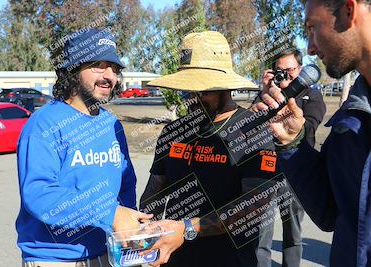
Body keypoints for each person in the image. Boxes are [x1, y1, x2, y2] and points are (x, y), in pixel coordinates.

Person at [139, 30, 286, 267]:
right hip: (174, 259)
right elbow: (154, 190)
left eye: (202, 91)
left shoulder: (252, 132)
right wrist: (145, 231)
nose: (192, 99)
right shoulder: (174, 132)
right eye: (187, 91)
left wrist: (188, 228)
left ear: (225, 88)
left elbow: (253, 207)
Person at [16, 28, 152, 267]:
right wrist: (110, 214)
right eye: (98, 65)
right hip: (56, 259)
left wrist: (130, 231)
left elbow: (126, 184)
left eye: (114, 68)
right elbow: (39, 194)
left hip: (110, 254)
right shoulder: (44, 124)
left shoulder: (111, 124)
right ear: (72, 70)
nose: (109, 76)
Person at [253, 0, 371, 266]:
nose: (311, 47)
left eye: (311, 27)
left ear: (349, 11)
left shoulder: (325, 104)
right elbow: (330, 213)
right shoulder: (349, 119)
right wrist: (291, 143)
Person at [252, 48, 326, 267]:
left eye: (290, 70)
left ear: (301, 69)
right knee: (261, 234)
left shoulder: (312, 96)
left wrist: (288, 100)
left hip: (295, 174)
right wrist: (264, 92)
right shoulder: (268, 96)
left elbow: (309, 130)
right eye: (279, 71)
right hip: (265, 172)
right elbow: (249, 128)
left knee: (293, 233)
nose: (285, 75)